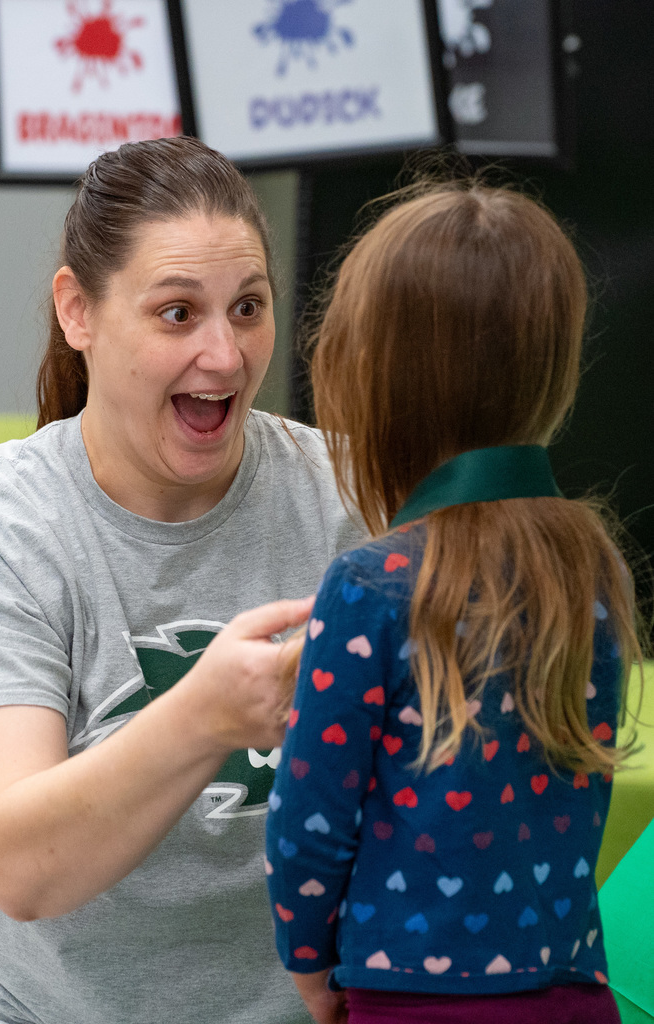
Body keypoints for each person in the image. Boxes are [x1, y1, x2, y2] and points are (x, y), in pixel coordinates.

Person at [0, 136, 364, 1024]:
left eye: (248, 307)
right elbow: (17, 866)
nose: (225, 358)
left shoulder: (352, 500)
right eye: (177, 313)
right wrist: (204, 714)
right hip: (18, 1011)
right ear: (78, 312)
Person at [264, 180, 647, 1024]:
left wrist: (308, 965)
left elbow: (308, 823)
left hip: (405, 1001)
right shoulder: (593, 571)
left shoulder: (367, 588)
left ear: (370, 383)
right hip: (571, 993)